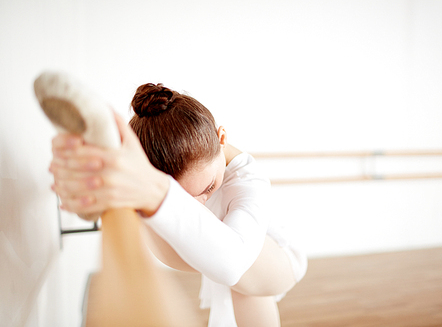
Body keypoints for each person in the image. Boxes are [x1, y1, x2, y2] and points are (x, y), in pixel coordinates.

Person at [50, 83, 307, 327]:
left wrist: (158, 191)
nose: (199, 202)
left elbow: (233, 264)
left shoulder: (250, 181)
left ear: (222, 138)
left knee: (242, 280)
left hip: (277, 259)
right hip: (226, 260)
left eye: (208, 188)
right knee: (243, 289)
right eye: (185, 197)